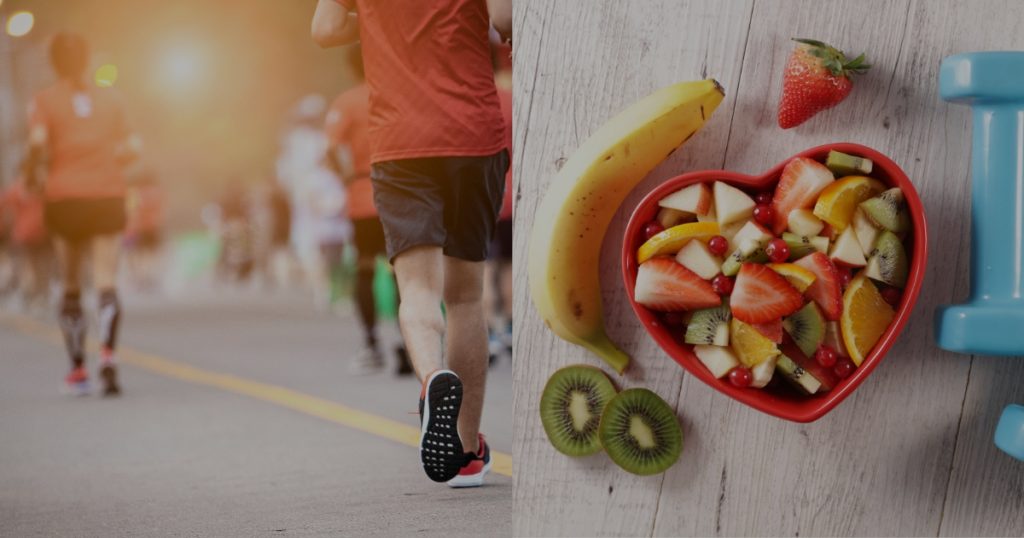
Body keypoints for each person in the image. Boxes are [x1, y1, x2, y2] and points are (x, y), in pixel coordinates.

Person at [313, 0, 512, 487]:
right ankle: (467, 451)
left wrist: (386, 21)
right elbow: (505, 21)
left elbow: (325, 29)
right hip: (474, 136)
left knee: (417, 289)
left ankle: (431, 378)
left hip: (402, 142)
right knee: (465, 296)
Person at [24, 32, 141, 396]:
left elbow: (39, 143)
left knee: (72, 282)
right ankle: (108, 357)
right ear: (88, 59)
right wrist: (107, 160)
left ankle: (77, 369)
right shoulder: (112, 98)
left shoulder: (44, 100)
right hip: (106, 193)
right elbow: (133, 147)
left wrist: (32, 172)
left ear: (54, 62)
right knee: (107, 279)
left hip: (65, 197)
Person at [324, 44, 410, 375]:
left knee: (363, 269)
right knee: (404, 272)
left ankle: (371, 345)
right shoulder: (397, 94)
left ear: (351, 68)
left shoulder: (346, 102)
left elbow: (331, 149)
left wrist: (345, 176)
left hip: (362, 194)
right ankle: (407, 345)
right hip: (400, 194)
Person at [1, 171, 52, 311]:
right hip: (43, 231)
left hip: (23, 233)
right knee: (41, 266)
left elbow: (4, 203)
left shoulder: (18, 187)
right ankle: (40, 295)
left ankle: (31, 295)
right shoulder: (45, 187)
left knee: (27, 266)